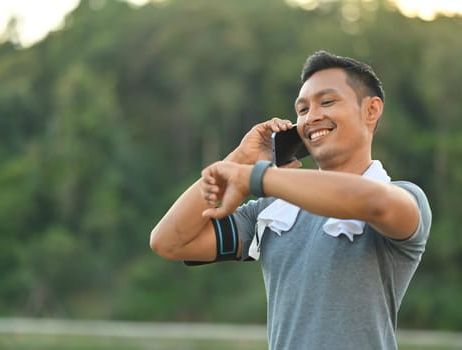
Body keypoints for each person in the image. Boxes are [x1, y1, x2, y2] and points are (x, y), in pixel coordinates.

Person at [150, 50, 431, 349]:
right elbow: (168, 241)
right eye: (302, 109)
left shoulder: (406, 198)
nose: (311, 117)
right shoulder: (274, 211)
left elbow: (372, 202)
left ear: (371, 110)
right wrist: (241, 159)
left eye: (327, 102)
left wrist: (255, 178)